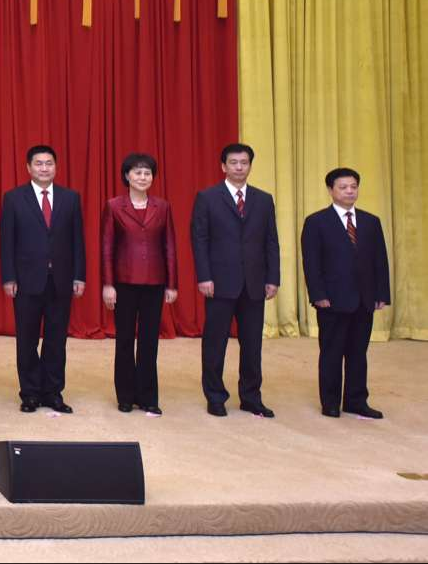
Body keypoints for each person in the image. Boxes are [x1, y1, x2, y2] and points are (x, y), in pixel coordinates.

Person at [191, 142, 280, 418]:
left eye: (244, 163)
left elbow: (271, 241)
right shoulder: (207, 197)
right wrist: (204, 276)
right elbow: (199, 240)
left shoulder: (263, 200)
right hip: (219, 282)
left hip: (254, 282)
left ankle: (251, 397)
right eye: (234, 162)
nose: (239, 167)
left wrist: (273, 277)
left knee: (252, 344)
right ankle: (215, 396)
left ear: (250, 166)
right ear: (223, 166)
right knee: (215, 343)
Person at [0, 144, 86, 414]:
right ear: (28, 167)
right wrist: (8, 277)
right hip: (26, 280)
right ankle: (30, 393)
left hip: (61, 279)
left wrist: (79, 276)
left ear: (56, 167)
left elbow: (78, 240)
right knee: (27, 340)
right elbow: (7, 241)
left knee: (56, 340)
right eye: (39, 163)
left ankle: (53, 392)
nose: (44, 168)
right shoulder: (14, 198)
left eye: (49, 163)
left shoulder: (70, 198)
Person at [300, 168, 390, 419]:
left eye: (353, 187)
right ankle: (330, 402)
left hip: (364, 299)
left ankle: (356, 401)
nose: (349, 191)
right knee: (332, 352)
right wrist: (318, 294)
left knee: (358, 353)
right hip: (331, 300)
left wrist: (381, 293)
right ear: (331, 190)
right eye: (343, 187)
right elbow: (311, 263)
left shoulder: (371, 221)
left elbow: (380, 260)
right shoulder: (317, 222)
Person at [100, 153, 177, 416]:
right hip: (123, 282)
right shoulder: (113, 206)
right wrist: (108, 284)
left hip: (154, 282)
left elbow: (169, 246)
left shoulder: (162, 207)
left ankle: (148, 396)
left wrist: (172, 284)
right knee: (124, 340)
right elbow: (107, 247)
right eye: (137, 172)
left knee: (149, 341)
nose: (143, 177)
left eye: (147, 173)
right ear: (127, 176)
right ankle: (125, 395)